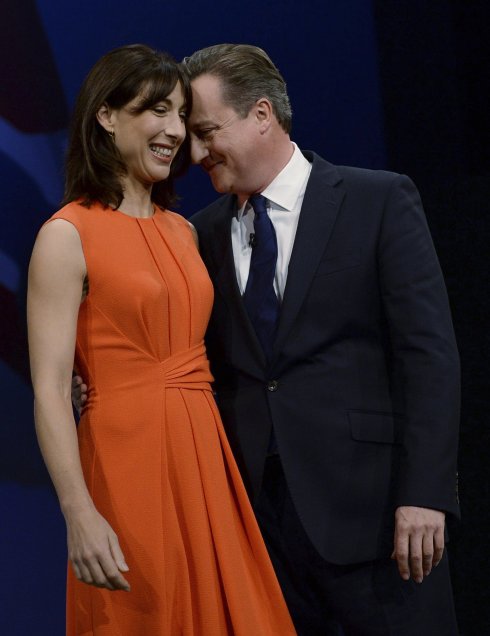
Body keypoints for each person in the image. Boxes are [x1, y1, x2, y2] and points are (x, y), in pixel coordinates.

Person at [73, 43, 461, 635]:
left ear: (261, 114)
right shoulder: (194, 236)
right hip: (256, 531)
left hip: (378, 522)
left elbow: (428, 356)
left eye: (204, 130)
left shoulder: (376, 200)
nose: (194, 152)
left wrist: (426, 493)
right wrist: (93, 380)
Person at [27, 44, 295, 635]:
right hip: (127, 462)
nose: (175, 131)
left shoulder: (185, 231)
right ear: (107, 116)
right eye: (158, 111)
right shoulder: (65, 236)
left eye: (181, 115)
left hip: (206, 453)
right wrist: (79, 512)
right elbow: (48, 391)